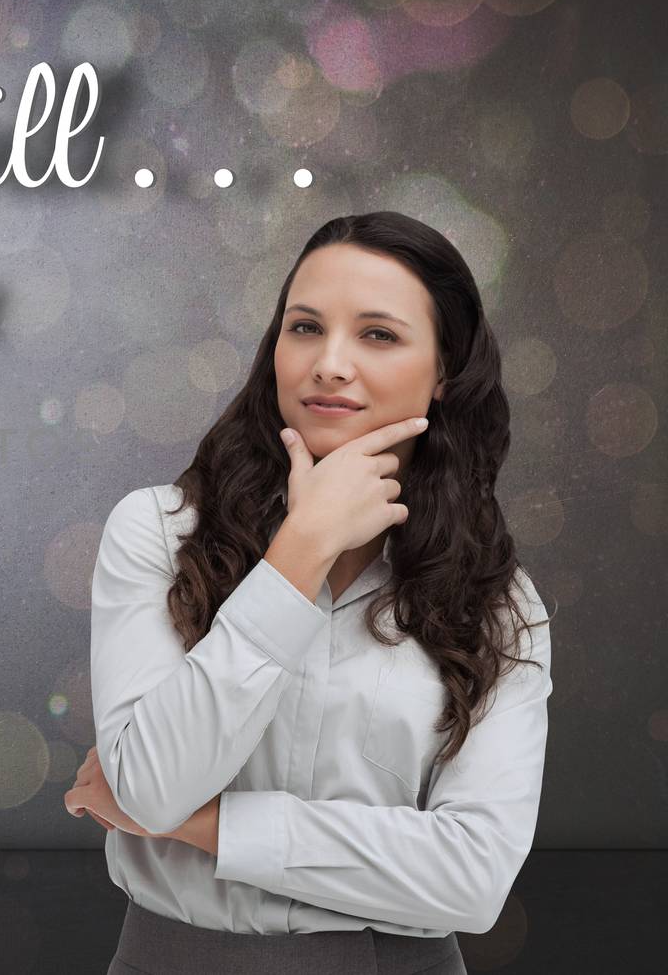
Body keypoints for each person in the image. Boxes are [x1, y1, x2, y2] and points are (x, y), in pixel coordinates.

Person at [63, 211, 553, 974]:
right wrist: (299, 554)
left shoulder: (496, 600)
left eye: (379, 335)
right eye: (304, 327)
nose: (329, 363)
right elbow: (154, 787)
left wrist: (208, 825)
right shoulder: (158, 534)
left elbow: (472, 878)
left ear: (445, 369)